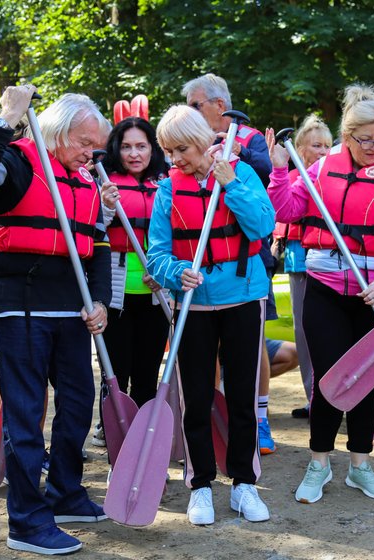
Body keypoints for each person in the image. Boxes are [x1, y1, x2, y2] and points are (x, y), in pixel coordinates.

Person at [0, 85, 112, 555]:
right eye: (86, 143)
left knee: (79, 401)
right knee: (26, 415)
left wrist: (101, 300)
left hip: (72, 309)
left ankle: (65, 491)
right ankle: (25, 521)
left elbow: (98, 245)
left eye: (95, 145)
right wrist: (7, 118)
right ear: (59, 132)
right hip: (20, 307)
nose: (92, 153)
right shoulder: (19, 163)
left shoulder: (85, 181)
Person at [267, 84, 374, 504]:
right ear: (347, 137)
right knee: (329, 378)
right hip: (327, 288)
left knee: (365, 381)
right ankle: (318, 463)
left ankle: (360, 465)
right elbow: (287, 210)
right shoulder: (320, 168)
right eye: (365, 139)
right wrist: (280, 170)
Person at [147, 104, 275, 526]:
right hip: (194, 304)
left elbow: (262, 226)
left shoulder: (239, 172)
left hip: (242, 297)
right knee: (196, 399)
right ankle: (200, 484)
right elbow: (156, 254)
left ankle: (243, 484)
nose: (175, 159)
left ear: (203, 140)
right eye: (168, 151)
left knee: (241, 398)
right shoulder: (168, 189)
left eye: (181, 148)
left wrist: (231, 184)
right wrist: (174, 272)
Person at [182, 73, 279, 454]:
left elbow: (264, 170)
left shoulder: (249, 140)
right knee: (207, 356)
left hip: (247, 261)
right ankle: (213, 418)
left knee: (252, 349)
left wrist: (228, 156)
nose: (190, 113)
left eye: (196, 106)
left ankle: (259, 417)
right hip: (203, 272)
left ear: (219, 107)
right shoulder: (186, 153)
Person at [91, 116, 170, 448]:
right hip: (116, 293)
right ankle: (113, 432)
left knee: (147, 372)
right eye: (126, 147)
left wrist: (165, 274)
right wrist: (107, 207)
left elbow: (175, 237)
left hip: (154, 292)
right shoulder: (102, 183)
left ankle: (141, 436)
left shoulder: (166, 184)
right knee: (116, 371)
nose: (134, 154)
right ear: (116, 149)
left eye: (141, 146)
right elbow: (93, 231)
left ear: (152, 148)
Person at [270, 114, 332, 418]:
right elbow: (283, 211)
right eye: (316, 145)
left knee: (332, 332)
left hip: (332, 263)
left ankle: (337, 394)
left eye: (327, 146)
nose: (322, 151)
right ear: (300, 149)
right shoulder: (293, 181)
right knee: (305, 332)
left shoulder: (335, 178)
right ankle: (314, 397)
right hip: (299, 261)